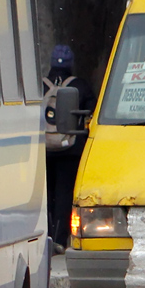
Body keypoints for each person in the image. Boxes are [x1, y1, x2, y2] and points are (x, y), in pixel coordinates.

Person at [43, 44, 94, 251]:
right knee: (64, 194)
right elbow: (91, 112)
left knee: (46, 194)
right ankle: (59, 238)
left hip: (43, 149)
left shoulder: (41, 86)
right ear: (72, 64)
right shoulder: (80, 86)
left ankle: (44, 236)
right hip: (69, 150)